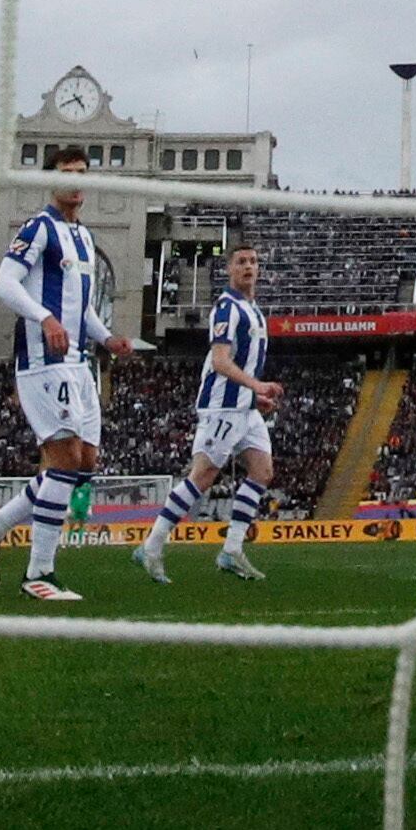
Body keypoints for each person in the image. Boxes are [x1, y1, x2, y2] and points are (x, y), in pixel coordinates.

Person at [0, 147, 134, 601]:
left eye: (82, 173)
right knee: (64, 461)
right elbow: (4, 283)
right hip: (43, 363)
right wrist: (44, 318)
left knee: (84, 464)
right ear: (51, 181)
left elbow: (82, 308)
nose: (75, 180)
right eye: (66, 173)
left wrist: (107, 338)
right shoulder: (38, 229)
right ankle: (39, 574)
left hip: (80, 363)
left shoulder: (84, 238)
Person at [140, 244, 280, 584]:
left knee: (262, 471)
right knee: (202, 477)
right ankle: (152, 545)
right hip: (222, 406)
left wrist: (253, 396)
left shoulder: (255, 311)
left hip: (244, 407)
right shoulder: (227, 308)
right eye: (241, 262)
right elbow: (220, 360)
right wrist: (257, 386)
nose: (249, 266)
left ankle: (231, 550)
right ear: (229, 269)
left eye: (253, 261)